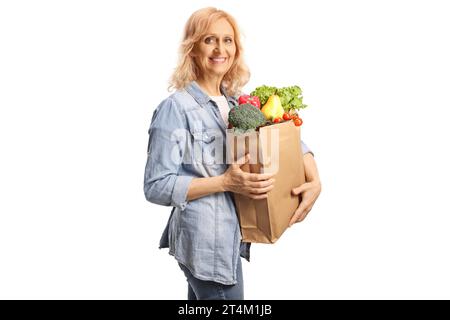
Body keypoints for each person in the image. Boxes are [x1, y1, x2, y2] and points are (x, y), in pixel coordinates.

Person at [143, 7, 321, 300]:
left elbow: (283, 138)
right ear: (192, 47)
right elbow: (156, 185)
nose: (220, 48)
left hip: (229, 238)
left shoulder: (238, 101)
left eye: (228, 40)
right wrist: (225, 182)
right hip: (206, 245)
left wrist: (315, 177)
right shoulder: (176, 108)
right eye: (209, 39)